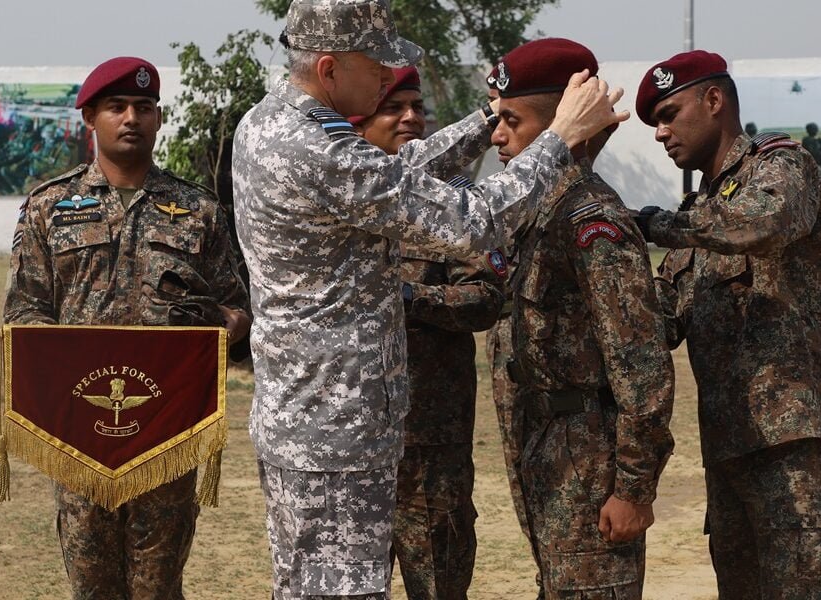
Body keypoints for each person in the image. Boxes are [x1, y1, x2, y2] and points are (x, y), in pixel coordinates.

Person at [229, 1, 628, 597]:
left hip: (309, 421)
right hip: (337, 431)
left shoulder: (273, 122)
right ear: (331, 69)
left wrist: (483, 117)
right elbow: (474, 220)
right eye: (379, 67)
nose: (391, 80)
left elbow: (400, 171)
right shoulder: (319, 150)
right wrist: (561, 138)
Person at [3, 56, 251, 599]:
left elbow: (239, 311)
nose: (131, 118)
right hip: (80, 432)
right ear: (90, 117)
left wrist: (225, 325)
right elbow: (24, 313)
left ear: (159, 119)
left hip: (168, 429)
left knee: (159, 585)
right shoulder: (49, 208)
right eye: (116, 107)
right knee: (92, 585)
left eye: (144, 107)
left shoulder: (199, 210)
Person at [632, 50, 821, 599]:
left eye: (669, 114)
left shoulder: (781, 166)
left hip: (787, 440)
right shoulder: (703, 211)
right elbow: (662, 316)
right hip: (727, 441)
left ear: (714, 100)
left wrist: (657, 224)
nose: (661, 133)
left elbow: (763, 223)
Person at [490, 38, 675, 599]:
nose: (496, 136)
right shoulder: (535, 211)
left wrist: (633, 488)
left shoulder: (591, 220)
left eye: (512, 121)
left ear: (560, 127)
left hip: (588, 461)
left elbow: (641, 365)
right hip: (545, 443)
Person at [349, 66, 506, 599]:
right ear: (360, 120)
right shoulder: (337, 206)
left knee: (438, 584)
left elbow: (486, 297)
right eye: (395, 107)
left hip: (430, 443)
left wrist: (414, 299)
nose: (411, 117)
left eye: (418, 107)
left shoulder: (454, 200)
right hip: (349, 443)